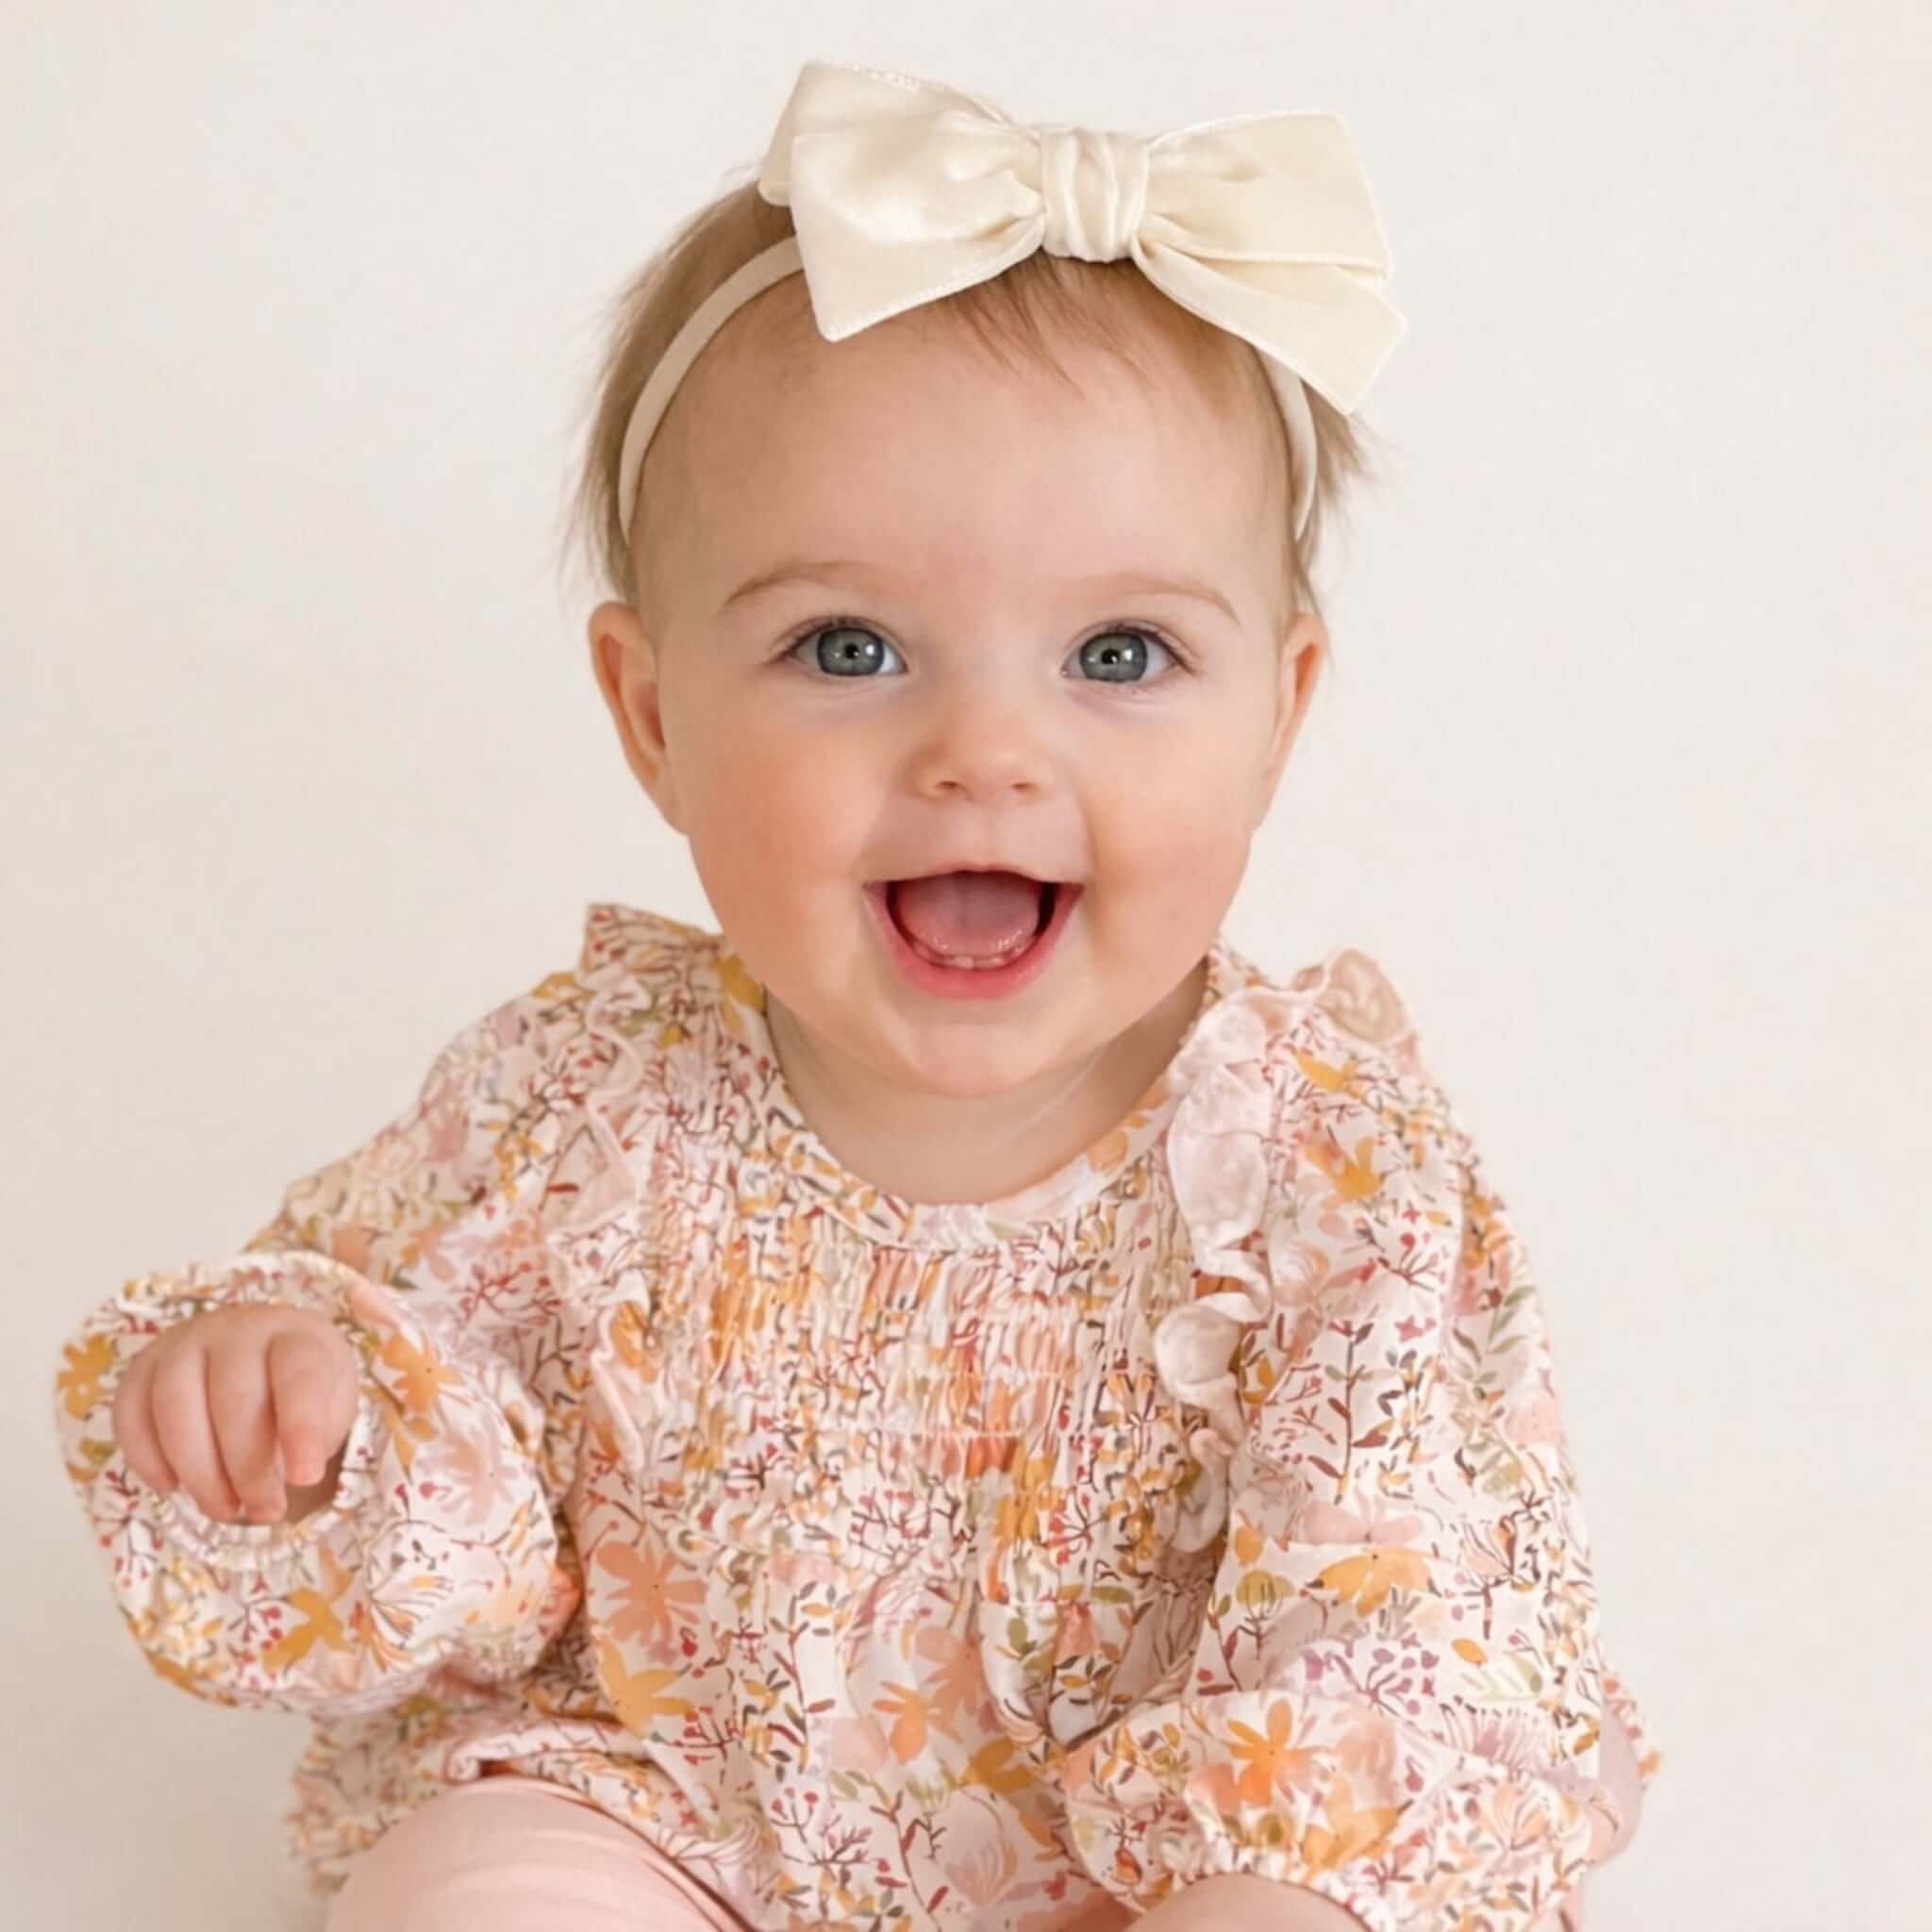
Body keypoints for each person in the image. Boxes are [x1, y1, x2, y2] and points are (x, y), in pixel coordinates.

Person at [49, 57, 1660, 1932]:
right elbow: (470, 1552)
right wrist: (320, 1414)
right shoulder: (577, 1103)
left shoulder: (1323, 1170)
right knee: (476, 1883)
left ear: (1281, 708)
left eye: (1118, 652)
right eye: (848, 645)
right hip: (675, 1825)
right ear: (654, 715)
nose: (984, 747)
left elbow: (1390, 1619)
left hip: (1150, 1865)